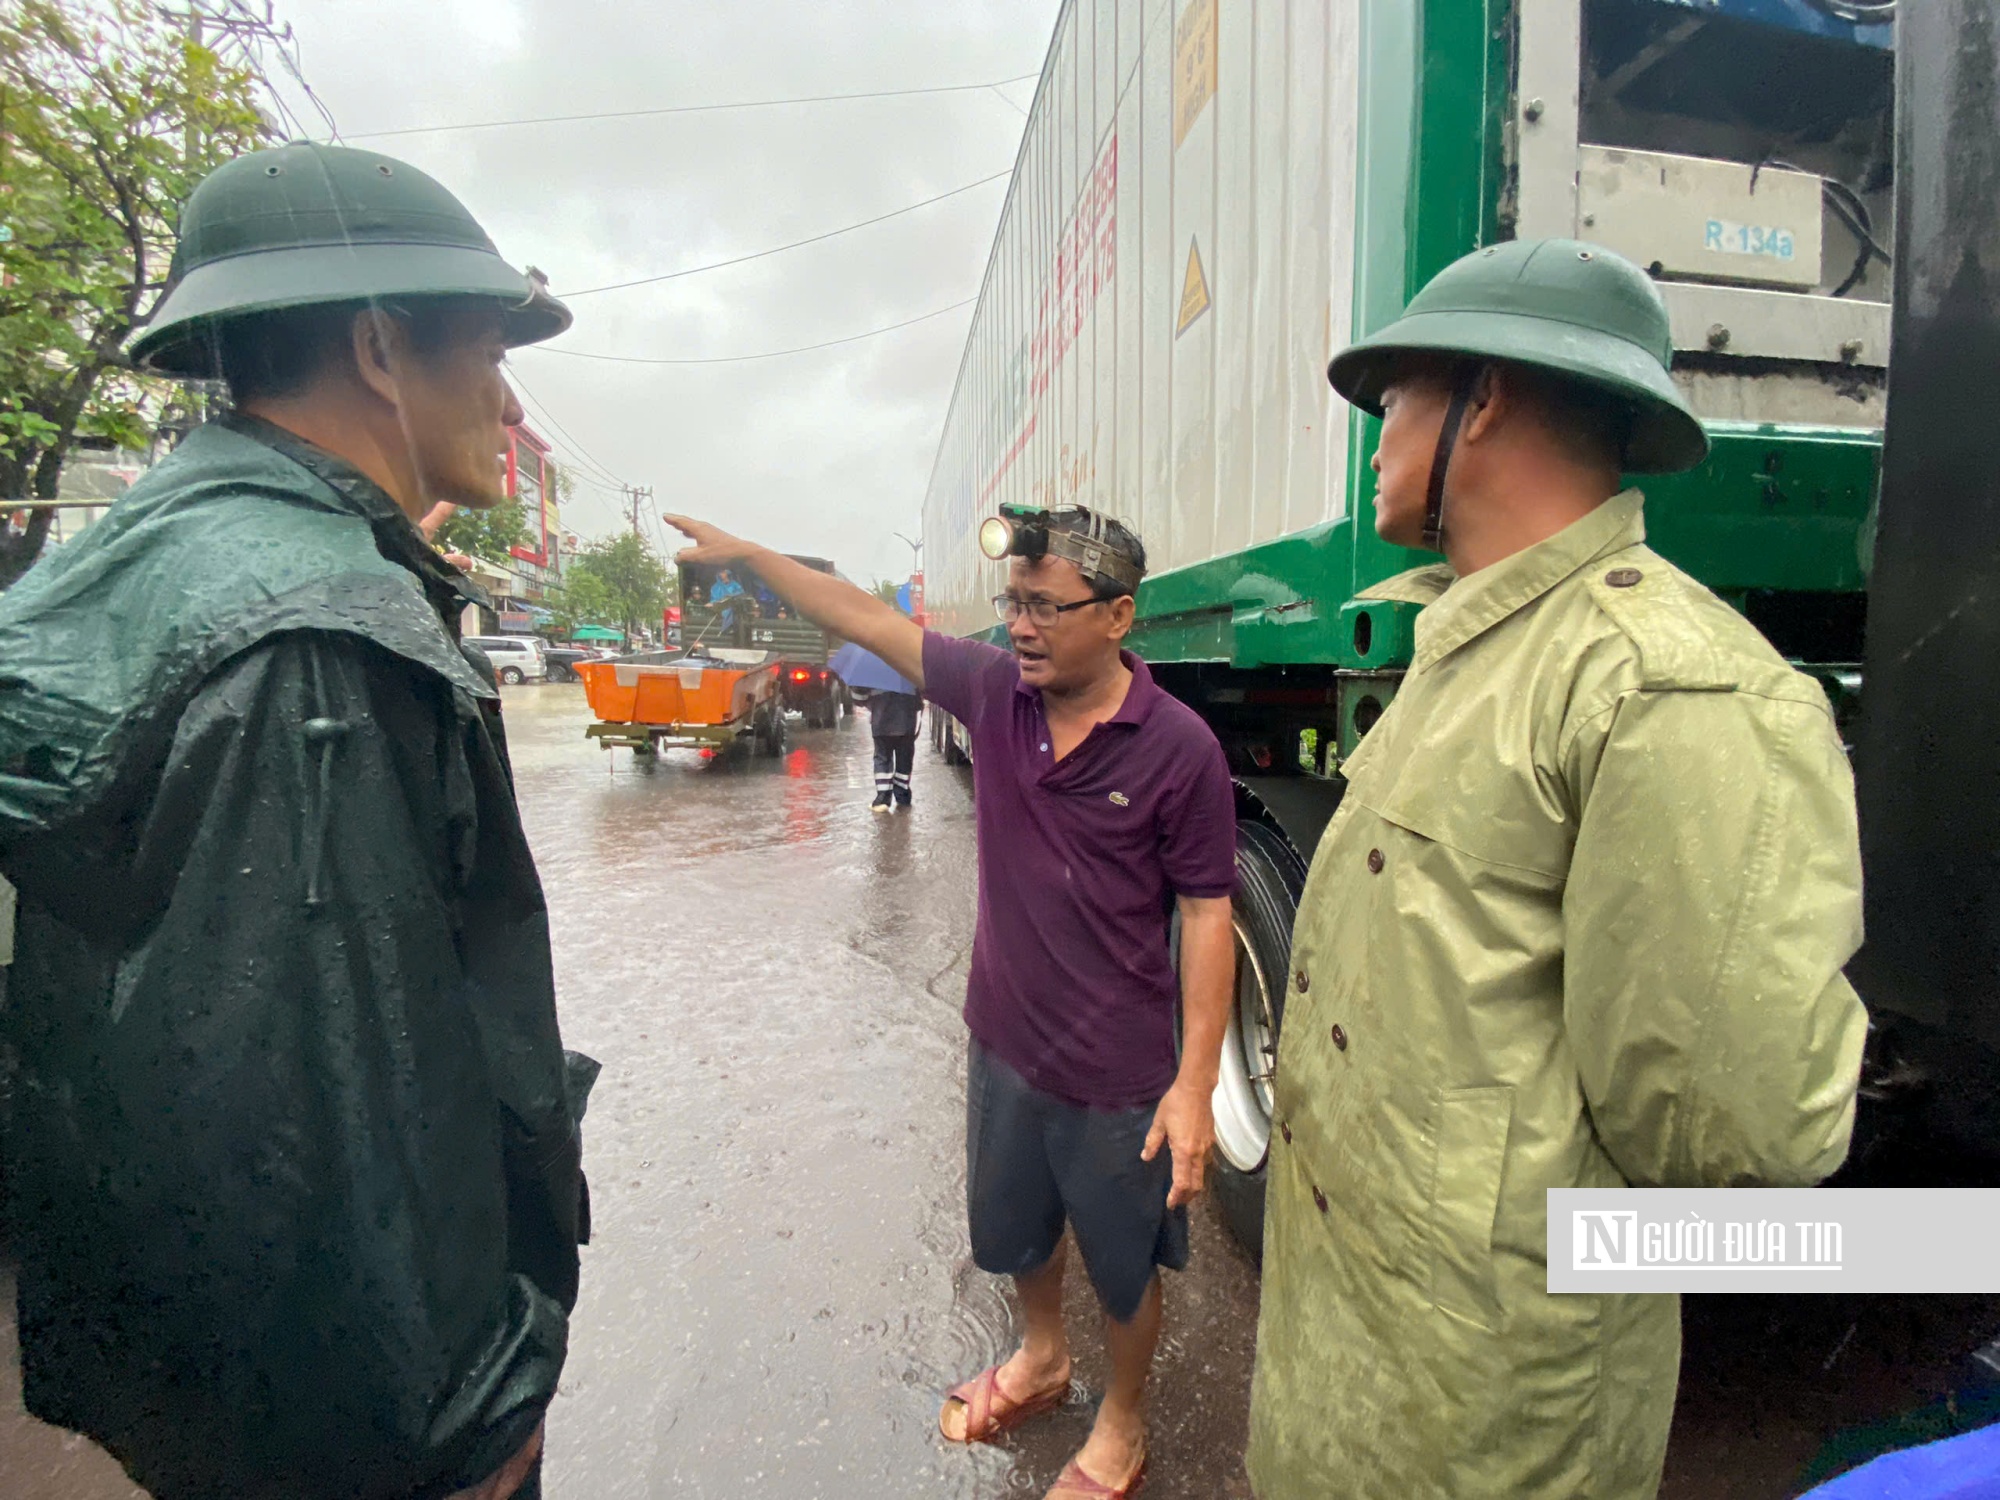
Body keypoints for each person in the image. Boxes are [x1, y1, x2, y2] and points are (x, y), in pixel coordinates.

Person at [0, 142, 592, 1500]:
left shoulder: (160, 554)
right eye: (490, 351)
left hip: (222, 1395)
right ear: (379, 348)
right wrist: (465, 1422)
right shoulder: (317, 633)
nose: (508, 399)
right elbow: (336, 1104)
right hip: (376, 1437)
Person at [1246, 239, 1869, 1499]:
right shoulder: (1469, 643)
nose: (1372, 439)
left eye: (1393, 398)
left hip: (1483, 1422)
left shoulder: (1662, 684)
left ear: (1483, 399)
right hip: (1353, 1379)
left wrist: (1523, 1251)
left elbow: (1734, 1136)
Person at [665, 506, 1237, 1500]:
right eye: (1012, 604)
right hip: (1003, 1042)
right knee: (1017, 1233)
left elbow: (1205, 915)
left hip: (1117, 1074)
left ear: (1118, 616)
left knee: (1124, 1268)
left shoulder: (1179, 748)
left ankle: (1123, 1421)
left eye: (1045, 607)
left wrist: (1194, 1086)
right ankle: (1042, 1358)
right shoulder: (991, 692)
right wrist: (755, 557)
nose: (1019, 626)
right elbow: (857, 614)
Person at [868, 684, 922, 812]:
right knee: (904, 759)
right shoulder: (909, 674)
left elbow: (859, 696)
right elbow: (919, 700)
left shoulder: (874, 673)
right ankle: (903, 797)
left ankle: (882, 799)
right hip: (906, 723)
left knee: (882, 759)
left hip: (880, 722)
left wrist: (871, 704)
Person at [708, 567, 747, 645]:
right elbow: (713, 599)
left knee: (732, 610)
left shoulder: (735, 585)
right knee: (726, 610)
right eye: (721, 572)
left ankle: (728, 628)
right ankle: (725, 628)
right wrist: (714, 603)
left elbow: (741, 593)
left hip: (734, 607)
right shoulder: (715, 587)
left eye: (723, 572)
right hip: (720, 608)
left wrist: (732, 596)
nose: (722, 574)